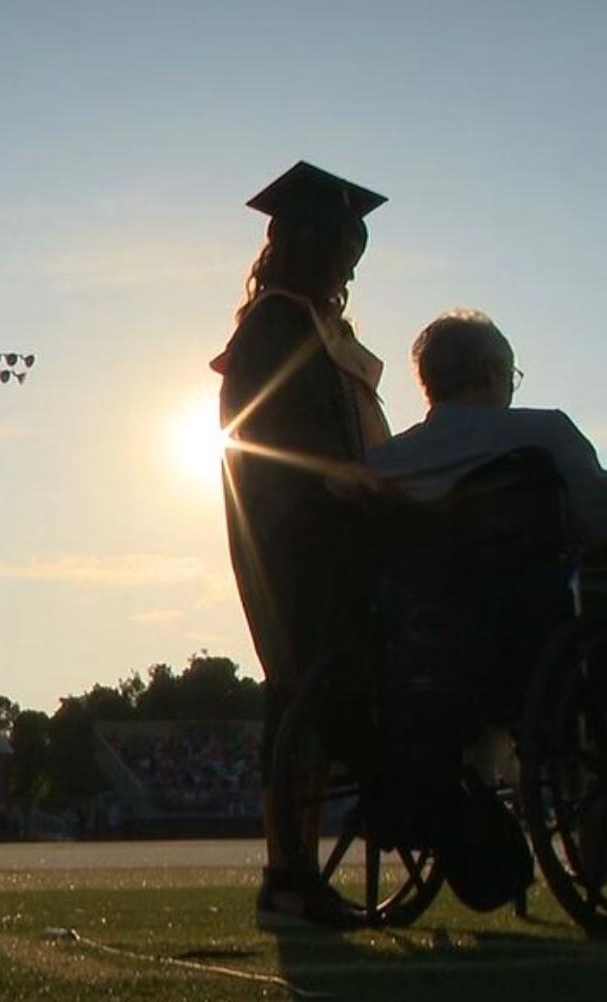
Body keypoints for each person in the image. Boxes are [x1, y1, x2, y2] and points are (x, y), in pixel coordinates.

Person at [213, 161, 391, 927]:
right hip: (299, 533)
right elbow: (271, 439)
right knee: (301, 694)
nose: (351, 264)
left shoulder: (316, 325)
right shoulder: (275, 327)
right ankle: (288, 874)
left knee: (314, 698)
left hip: (338, 527)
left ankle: (297, 872)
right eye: (343, 248)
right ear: (311, 247)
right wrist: (337, 487)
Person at [367, 309, 607, 552]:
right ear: (490, 375)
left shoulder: (385, 462)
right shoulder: (546, 434)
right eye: (511, 374)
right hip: (536, 597)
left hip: (421, 598)